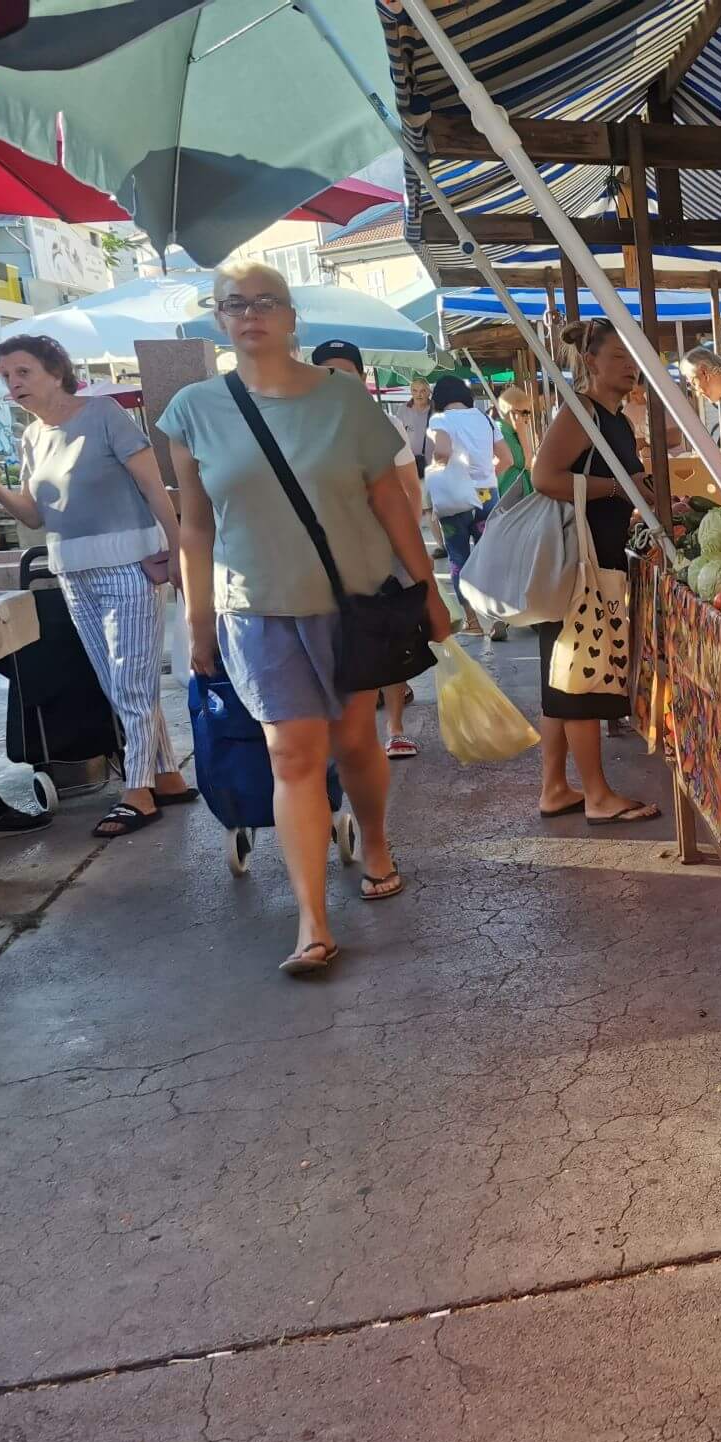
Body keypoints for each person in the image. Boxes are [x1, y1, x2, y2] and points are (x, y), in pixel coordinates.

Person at [159, 259, 450, 975]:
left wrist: (431, 591)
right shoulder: (192, 410)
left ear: (292, 318)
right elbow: (194, 527)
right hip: (256, 611)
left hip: (352, 608)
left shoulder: (345, 404)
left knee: (354, 743)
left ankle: (375, 843)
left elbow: (390, 503)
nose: (251, 313)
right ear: (219, 319)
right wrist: (198, 622)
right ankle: (313, 921)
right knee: (291, 755)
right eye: (235, 303)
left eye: (266, 301)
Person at [0, 333, 198, 836]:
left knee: (130, 678)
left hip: (132, 561)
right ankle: (166, 776)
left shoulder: (104, 414)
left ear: (55, 371)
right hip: (71, 570)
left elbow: (154, 486)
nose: (13, 383)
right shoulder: (31, 436)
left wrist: (180, 555)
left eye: (23, 371)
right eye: (6, 375)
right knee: (119, 681)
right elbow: (34, 514)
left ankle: (137, 789)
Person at [528, 320, 664, 825]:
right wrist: (617, 490)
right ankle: (599, 796)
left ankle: (555, 788)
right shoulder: (582, 413)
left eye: (634, 360)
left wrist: (650, 496)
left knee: (559, 681)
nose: (630, 368)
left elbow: (627, 480)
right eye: (619, 358)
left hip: (594, 560)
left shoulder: (619, 420)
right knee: (579, 680)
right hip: (575, 566)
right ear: (591, 362)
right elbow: (546, 477)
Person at [311, 340, 422, 758]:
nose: (339, 382)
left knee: (389, 638)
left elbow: (410, 489)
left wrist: (404, 544)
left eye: (347, 373)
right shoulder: (303, 427)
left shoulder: (383, 425)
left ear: (362, 378)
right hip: (328, 556)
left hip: (382, 553)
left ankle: (394, 727)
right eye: (328, 373)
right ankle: (353, 731)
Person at [426, 375, 509, 636]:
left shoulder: (440, 419)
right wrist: (484, 474)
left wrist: (440, 472)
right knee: (491, 557)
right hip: (487, 495)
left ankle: (473, 622)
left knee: (459, 557)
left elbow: (442, 452)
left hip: (456, 498)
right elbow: (505, 458)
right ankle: (498, 620)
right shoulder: (485, 418)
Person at [398, 377, 434, 477]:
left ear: (429, 392)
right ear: (411, 392)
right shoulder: (403, 409)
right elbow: (397, 436)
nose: (419, 394)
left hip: (434, 467)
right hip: (411, 465)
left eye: (423, 390)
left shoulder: (437, 409)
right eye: (415, 390)